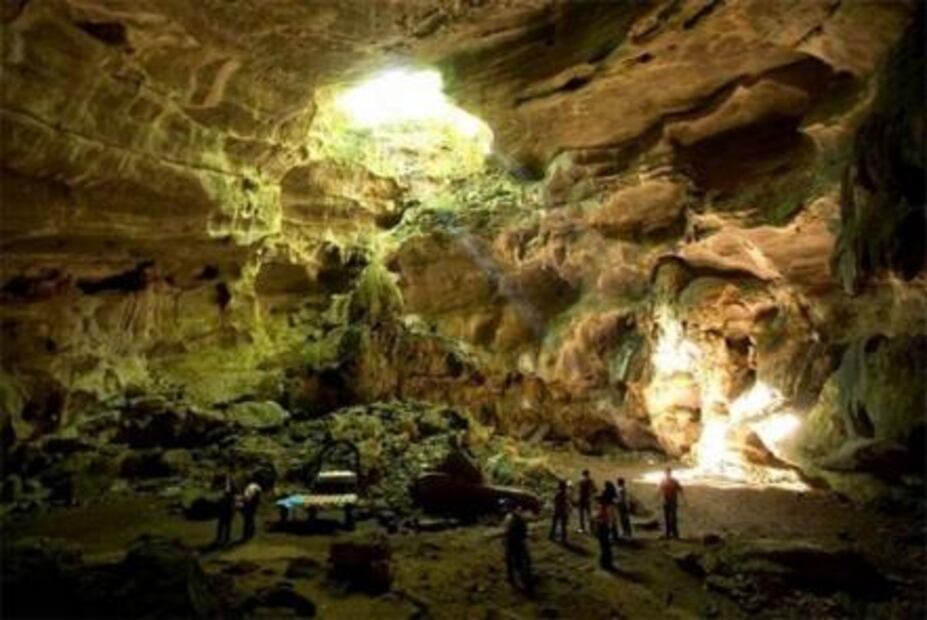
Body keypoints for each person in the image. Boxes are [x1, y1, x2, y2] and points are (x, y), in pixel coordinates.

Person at [502, 500, 533, 592]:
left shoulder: (508, 518)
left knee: (511, 561)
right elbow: (524, 530)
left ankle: (512, 577)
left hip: (511, 542)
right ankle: (523, 578)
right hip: (517, 542)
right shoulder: (518, 518)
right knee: (521, 560)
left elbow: (506, 531)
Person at [658, 467, 684, 539]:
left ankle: (671, 533)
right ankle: (672, 534)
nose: (667, 474)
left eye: (667, 473)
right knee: (670, 518)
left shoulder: (667, 481)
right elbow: (681, 490)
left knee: (671, 518)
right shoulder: (672, 481)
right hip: (669, 501)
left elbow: (660, 490)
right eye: (667, 473)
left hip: (670, 501)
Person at [214, 472, 236, 547]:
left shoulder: (228, 484)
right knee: (224, 523)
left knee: (225, 523)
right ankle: (222, 538)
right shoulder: (225, 483)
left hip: (227, 504)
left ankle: (223, 538)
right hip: (226, 504)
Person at [593, 494, 614, 571]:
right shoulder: (607, 508)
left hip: (603, 527)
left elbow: (600, 518)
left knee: (604, 546)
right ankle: (607, 562)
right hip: (605, 527)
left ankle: (605, 562)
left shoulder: (603, 508)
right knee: (605, 546)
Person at [577, 470, 596, 534]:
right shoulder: (591, 480)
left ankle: (582, 528)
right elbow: (595, 489)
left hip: (581, 498)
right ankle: (591, 529)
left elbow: (579, 490)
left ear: (583, 474)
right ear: (588, 474)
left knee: (581, 514)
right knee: (589, 514)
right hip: (588, 499)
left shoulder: (581, 480)